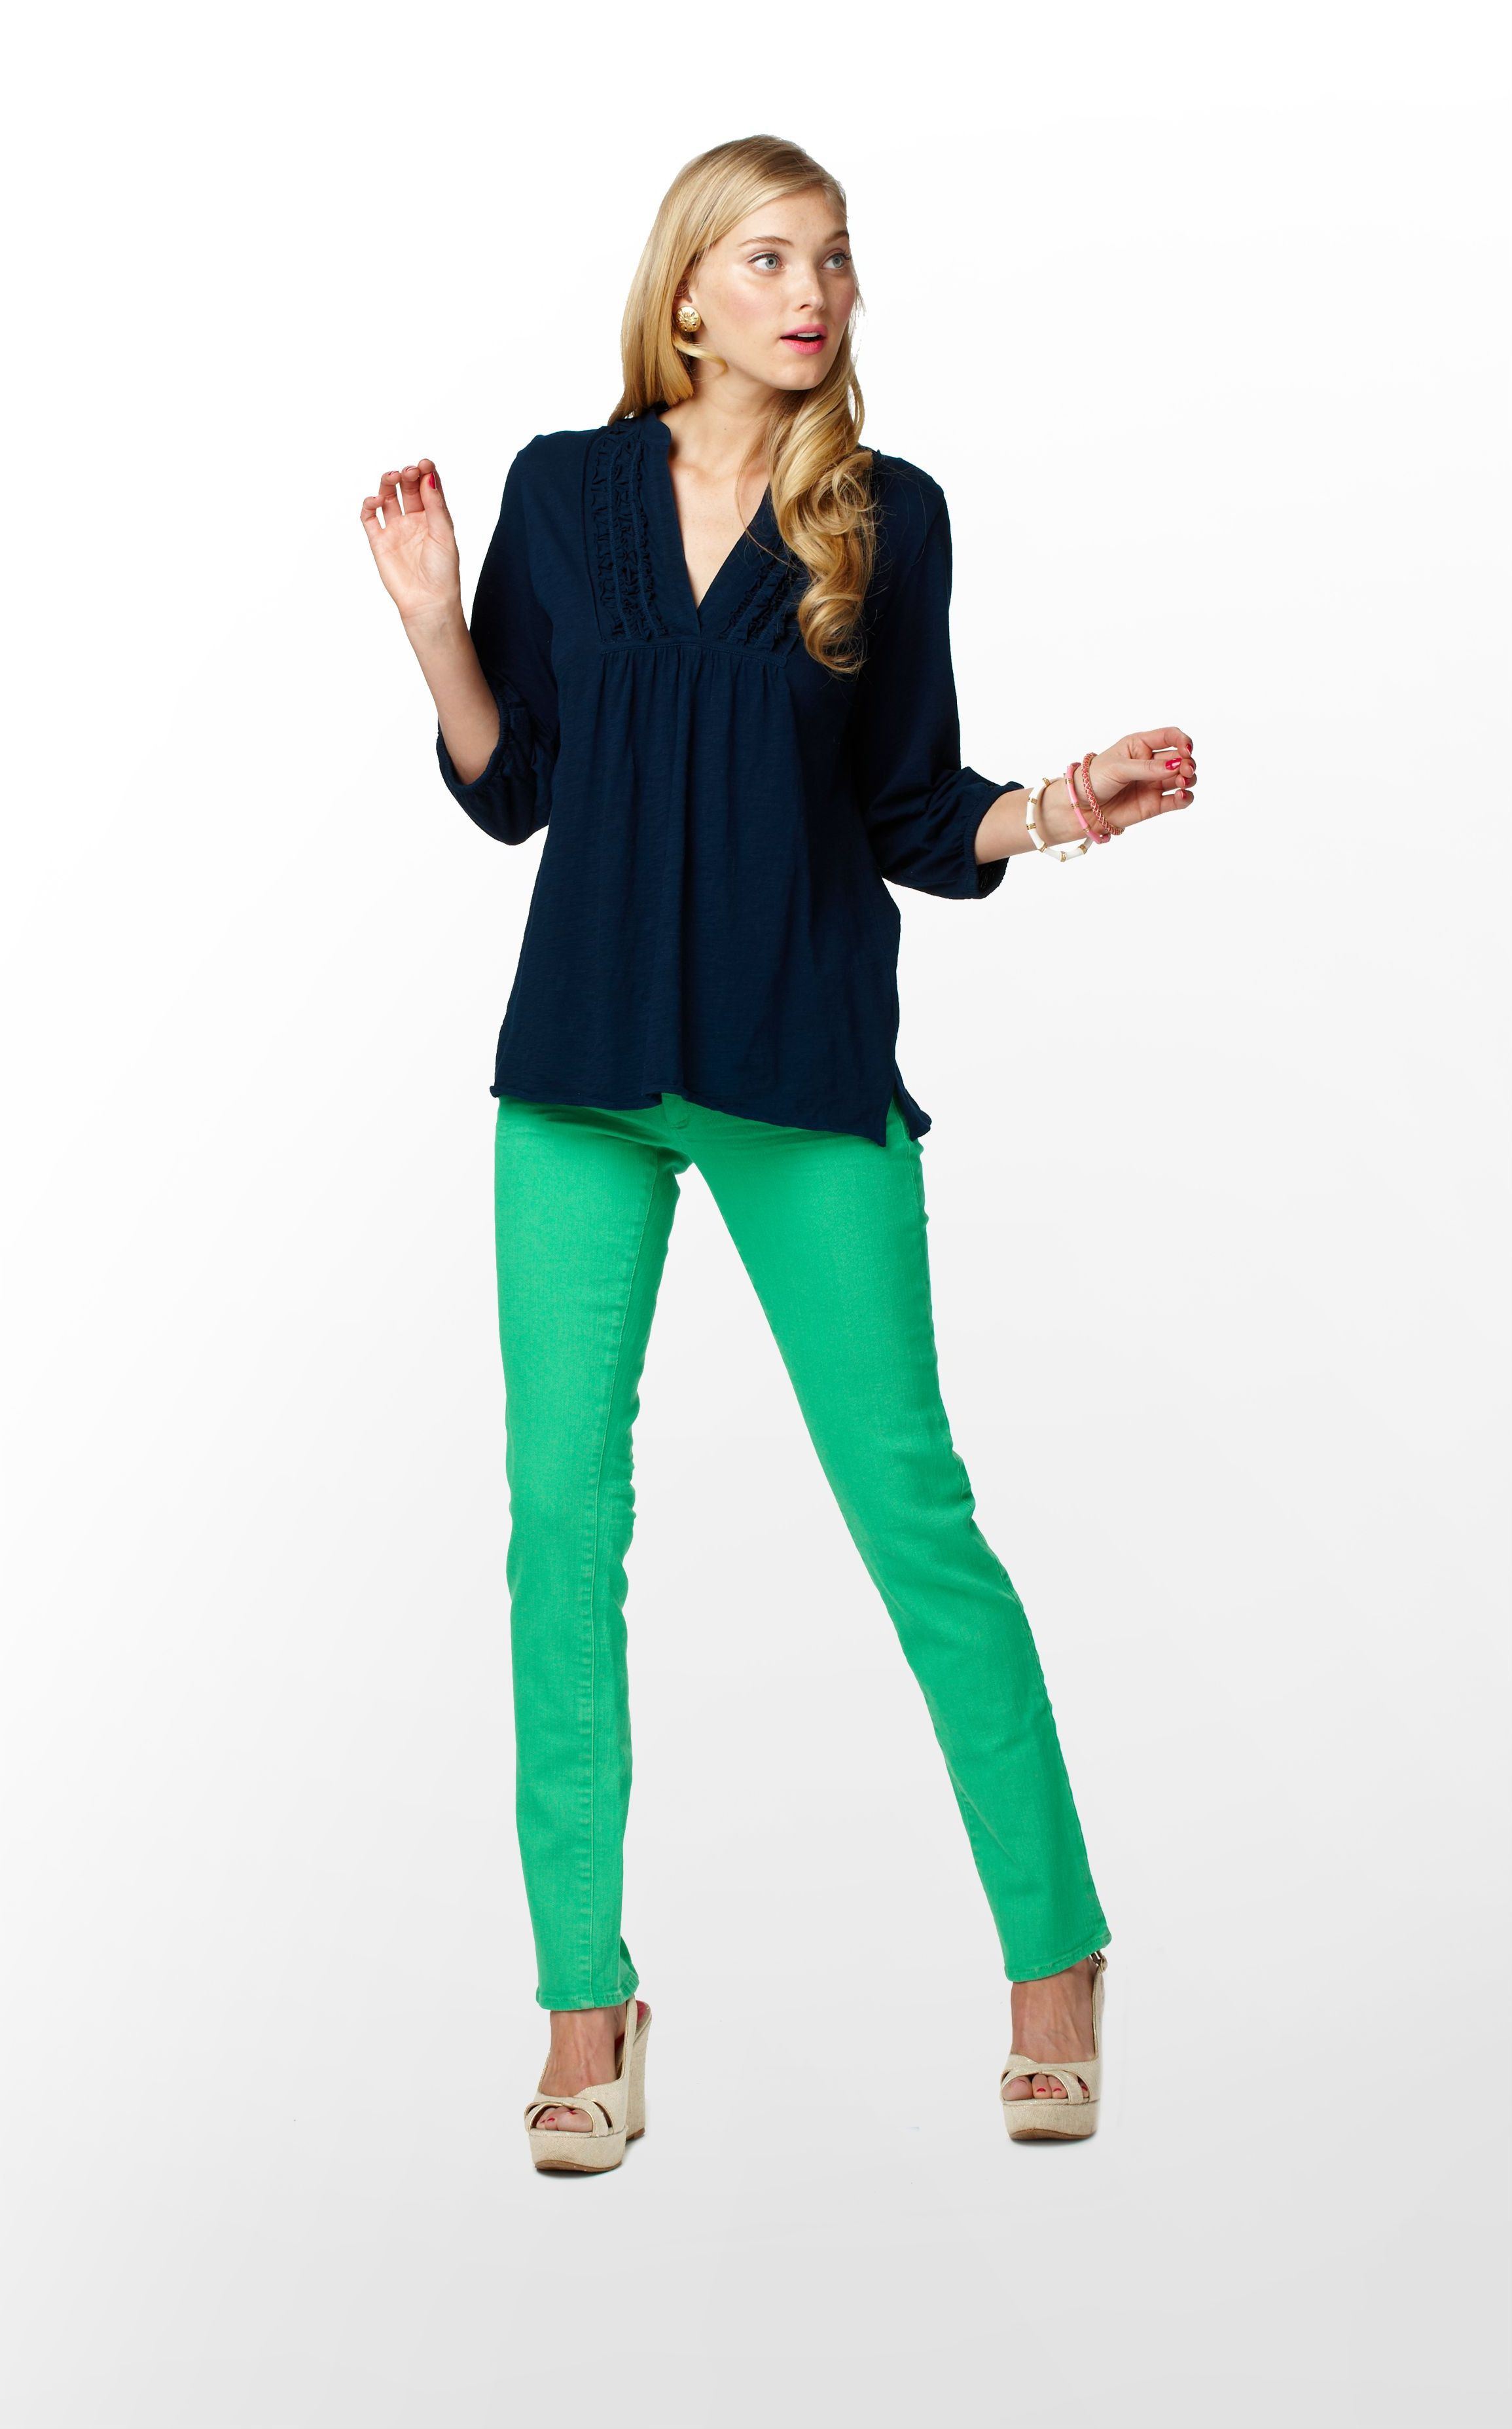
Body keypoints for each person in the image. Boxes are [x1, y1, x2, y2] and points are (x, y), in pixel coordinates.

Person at [359, 133, 1195, 2170]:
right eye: (766, 257)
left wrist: (1057, 809)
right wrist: (434, 626)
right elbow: (517, 787)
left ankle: (1056, 1957)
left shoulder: (886, 519)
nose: (809, 292)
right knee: (561, 1527)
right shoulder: (565, 492)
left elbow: (913, 809)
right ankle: (586, 2006)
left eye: (831, 259)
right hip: (581, 1072)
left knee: (913, 1511)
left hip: (800, 1064)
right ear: (687, 293)